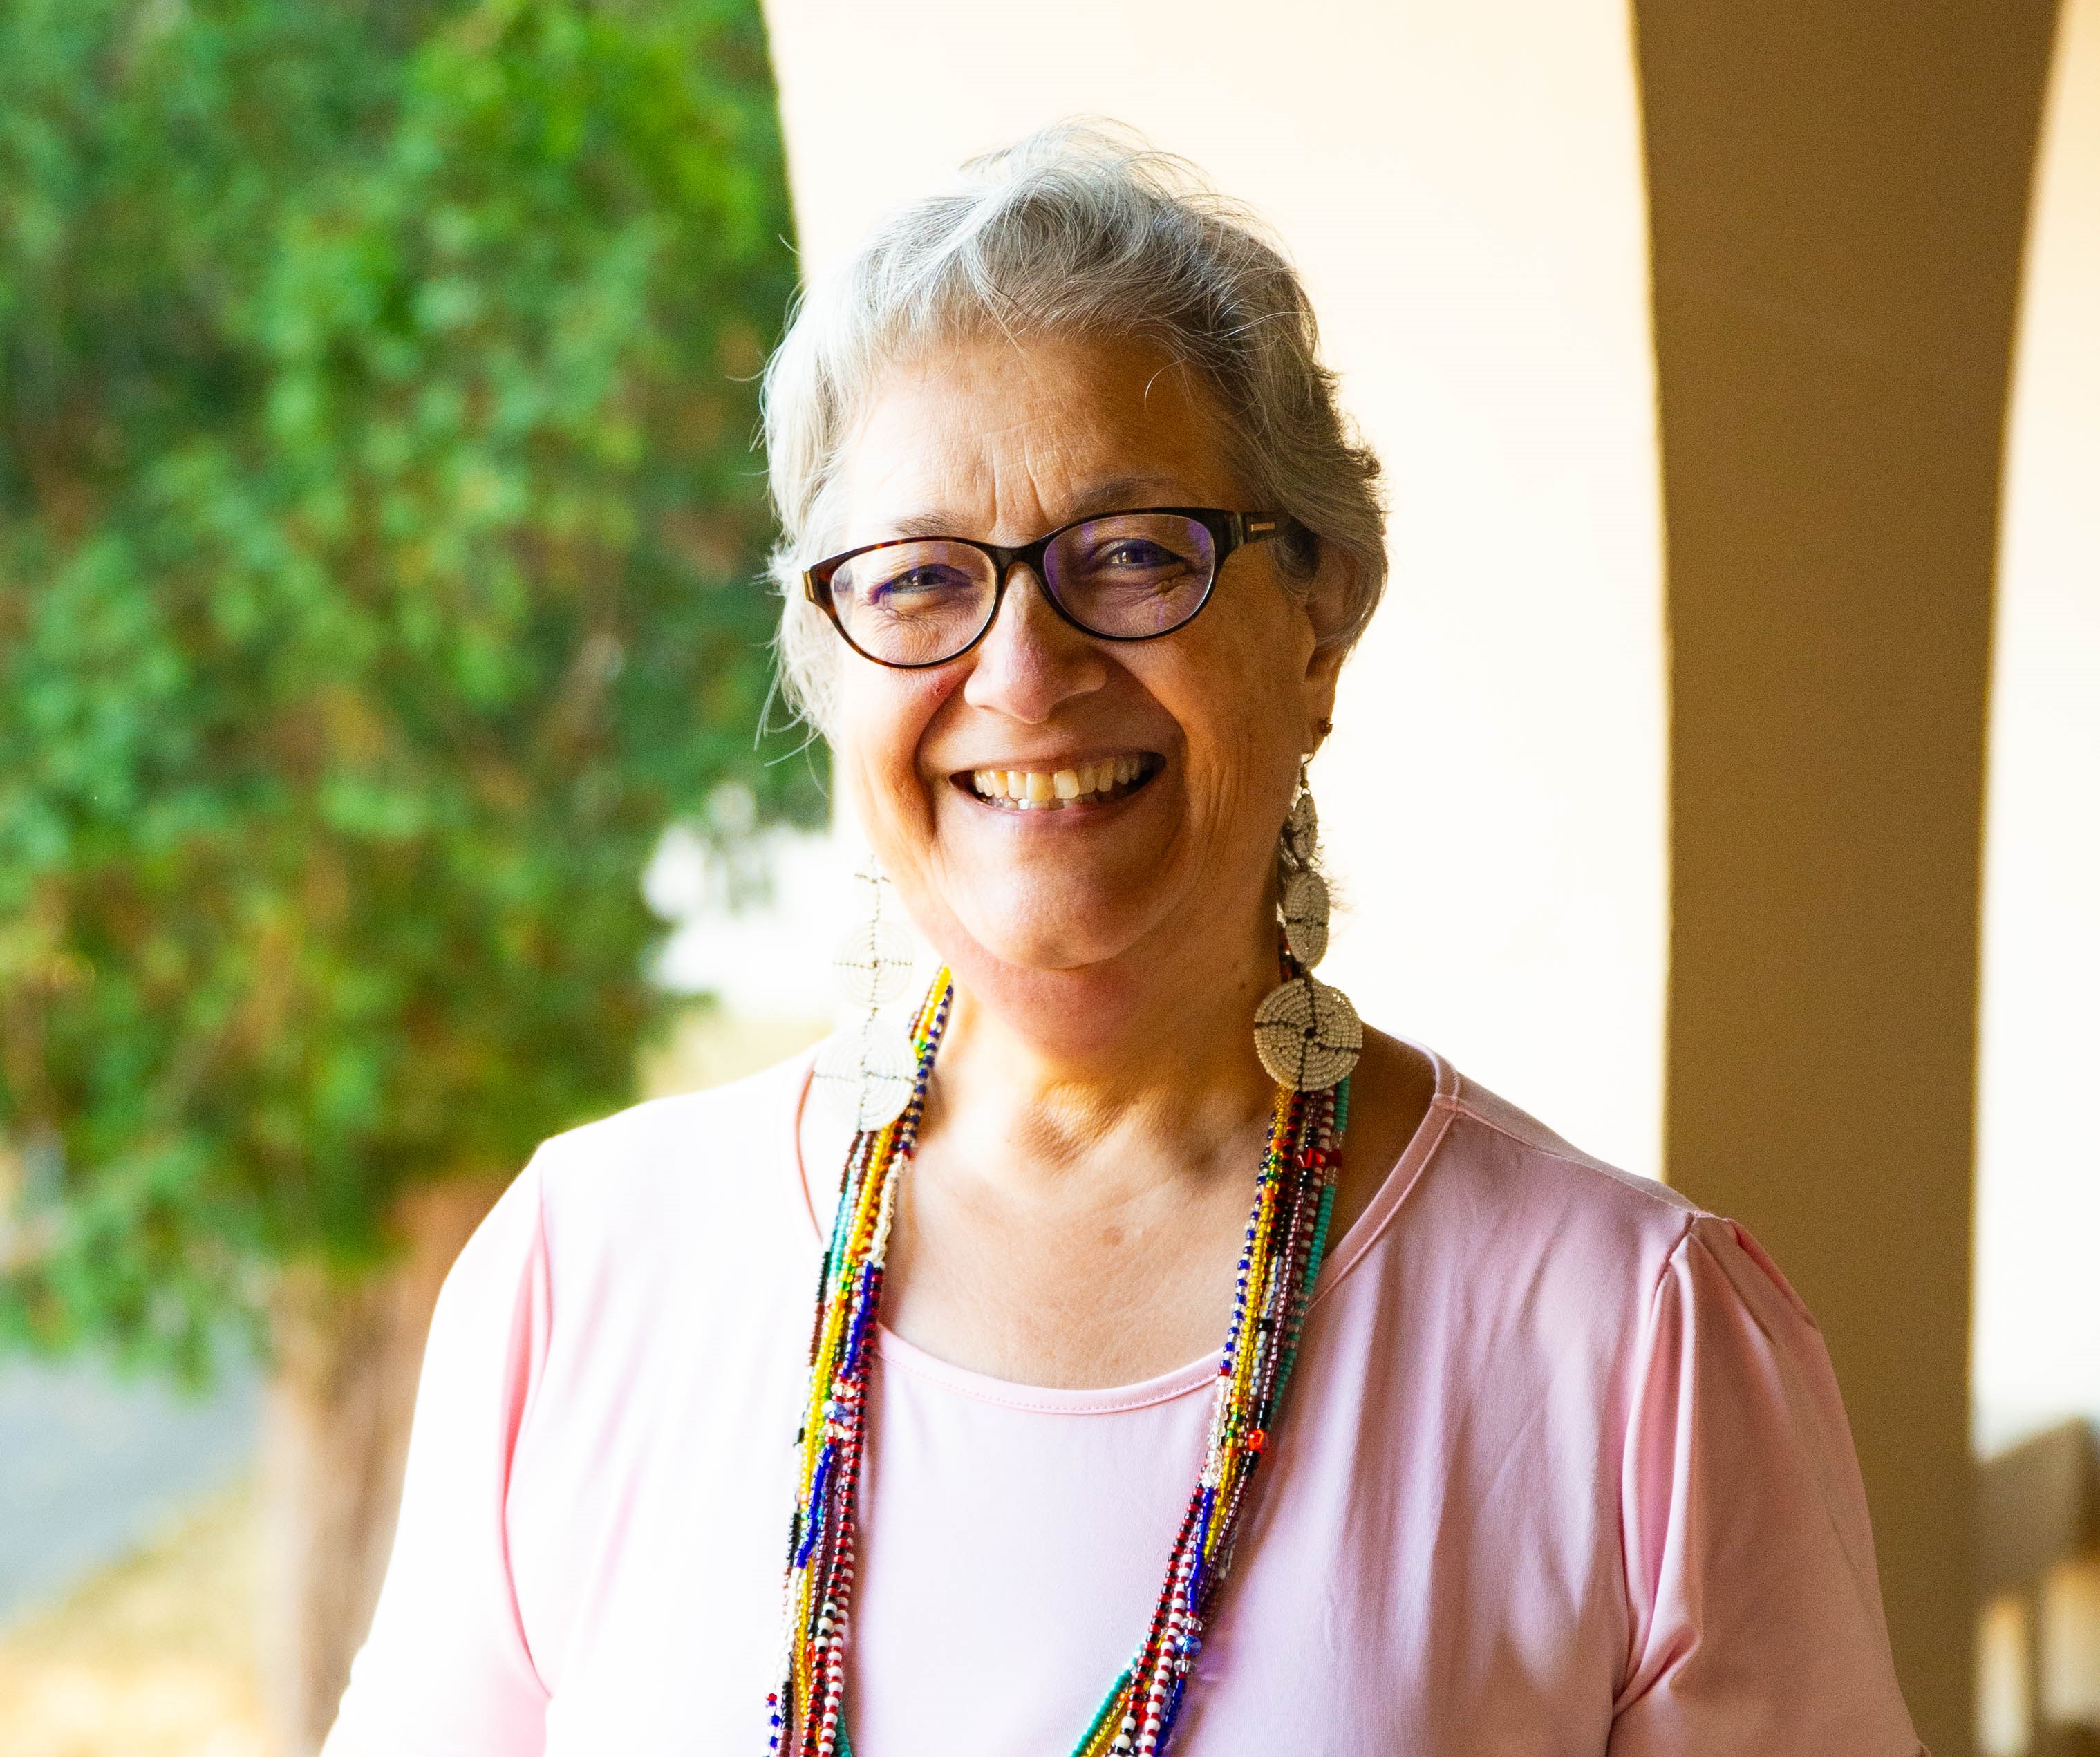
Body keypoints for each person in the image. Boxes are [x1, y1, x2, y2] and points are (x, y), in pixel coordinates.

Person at [324, 126, 1924, 1756]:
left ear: (1320, 621)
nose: (1022, 668)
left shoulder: (1626, 1340)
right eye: (920, 579)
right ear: (824, 661)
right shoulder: (581, 1272)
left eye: (1136, 554)